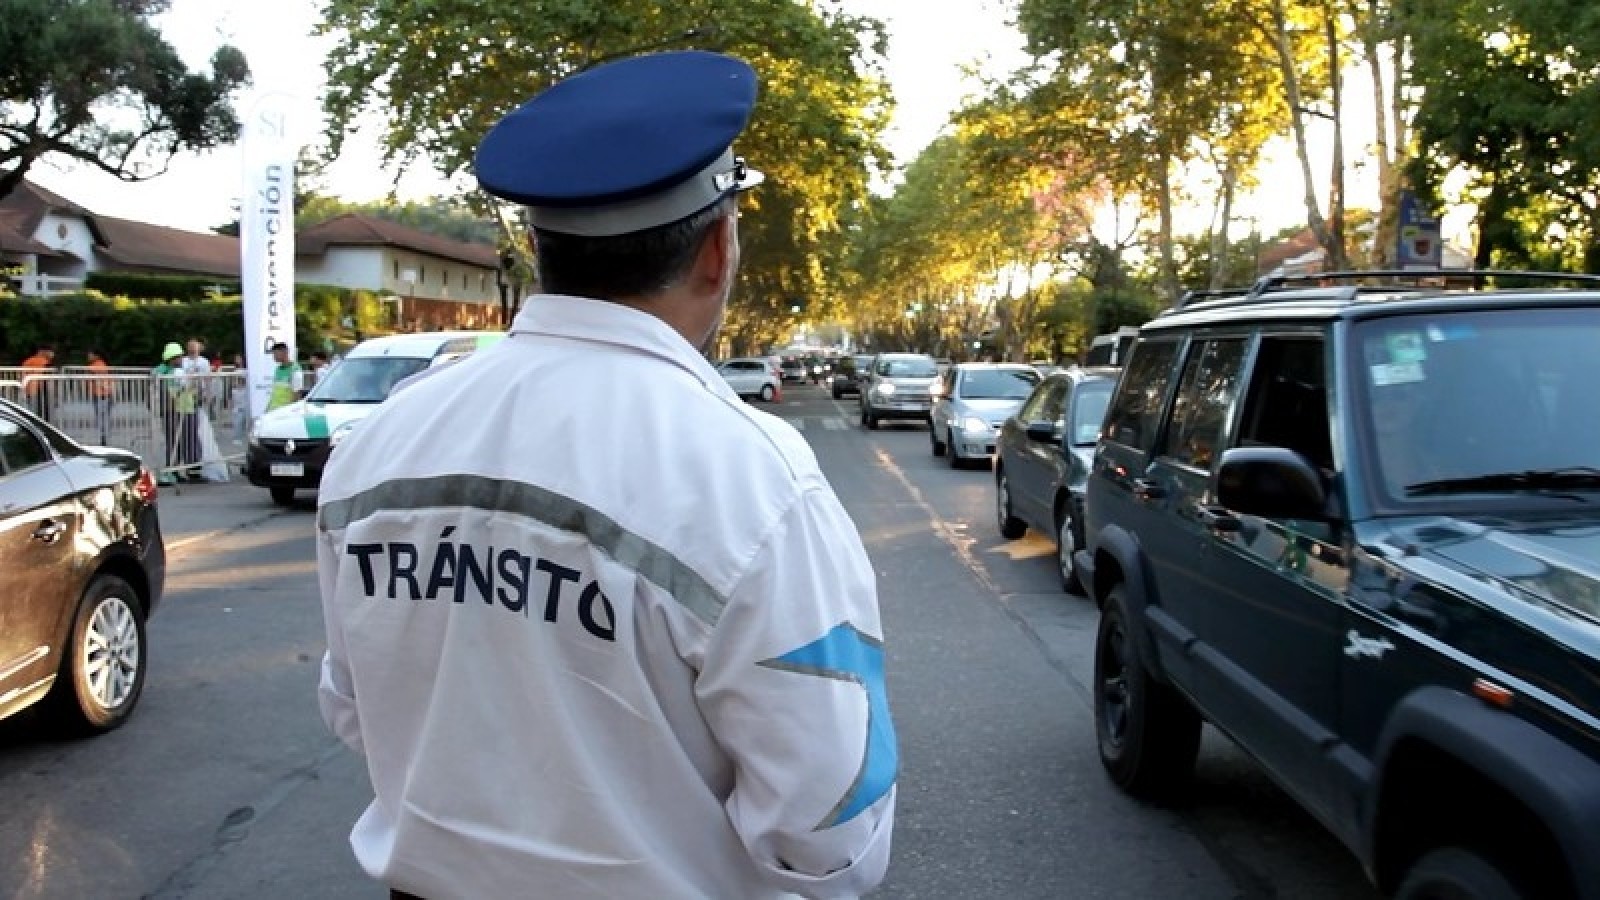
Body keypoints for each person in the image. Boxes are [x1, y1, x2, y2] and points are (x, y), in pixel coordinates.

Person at [316, 51, 895, 900]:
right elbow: (830, 828)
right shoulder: (753, 478)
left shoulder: (384, 437)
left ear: (540, 246)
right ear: (717, 247)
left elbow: (352, 705)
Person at [153, 341, 200, 484]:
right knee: (174, 443)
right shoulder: (162, 372)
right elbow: (165, 391)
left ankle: (189, 470)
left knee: (187, 440)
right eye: (177, 357)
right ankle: (173, 471)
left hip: (185, 408)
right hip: (173, 410)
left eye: (180, 356)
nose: (180, 359)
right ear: (171, 358)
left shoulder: (177, 370)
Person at [86, 348, 114, 445]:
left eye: (90, 354)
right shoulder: (102, 364)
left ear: (96, 355)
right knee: (104, 417)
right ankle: (104, 437)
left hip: (101, 395)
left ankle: (104, 438)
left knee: (102, 418)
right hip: (104, 394)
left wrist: (104, 388)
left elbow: (102, 381)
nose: (88, 356)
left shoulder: (96, 366)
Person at [265, 342, 304, 412]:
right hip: (273, 411)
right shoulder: (277, 369)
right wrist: (267, 410)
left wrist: (291, 412)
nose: (273, 357)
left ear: (284, 352)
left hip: (284, 413)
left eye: (275, 354)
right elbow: (274, 393)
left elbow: (297, 395)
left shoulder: (295, 370)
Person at [20, 343, 54, 421]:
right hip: (39, 390)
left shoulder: (28, 361)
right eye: (50, 351)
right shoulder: (43, 362)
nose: (52, 354)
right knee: (42, 412)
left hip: (29, 389)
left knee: (33, 411)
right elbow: (46, 377)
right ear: (42, 351)